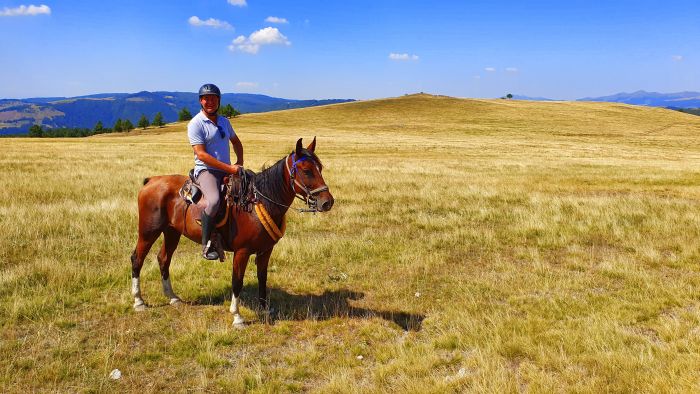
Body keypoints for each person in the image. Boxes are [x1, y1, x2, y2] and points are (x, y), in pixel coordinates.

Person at [187, 83, 244, 260]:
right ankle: (206, 246)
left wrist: (239, 163)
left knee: (248, 192)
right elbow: (201, 155)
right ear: (201, 101)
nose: (210, 101)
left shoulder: (225, 122)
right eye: (206, 99)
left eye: (213, 98)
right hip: (207, 171)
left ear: (218, 101)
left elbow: (236, 142)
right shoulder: (196, 123)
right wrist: (229, 168)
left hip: (227, 169)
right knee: (213, 201)